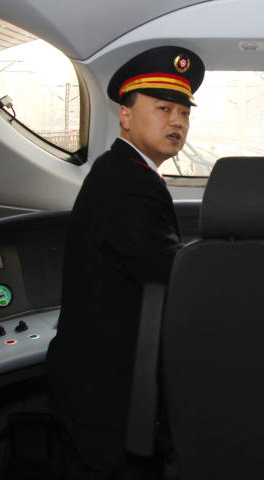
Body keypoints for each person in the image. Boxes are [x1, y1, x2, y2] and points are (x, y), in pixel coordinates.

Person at [47, 45, 205, 479]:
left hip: (100, 379)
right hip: (103, 393)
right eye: (163, 108)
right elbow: (175, 278)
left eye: (184, 112)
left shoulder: (123, 171)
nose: (177, 121)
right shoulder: (128, 186)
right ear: (126, 115)